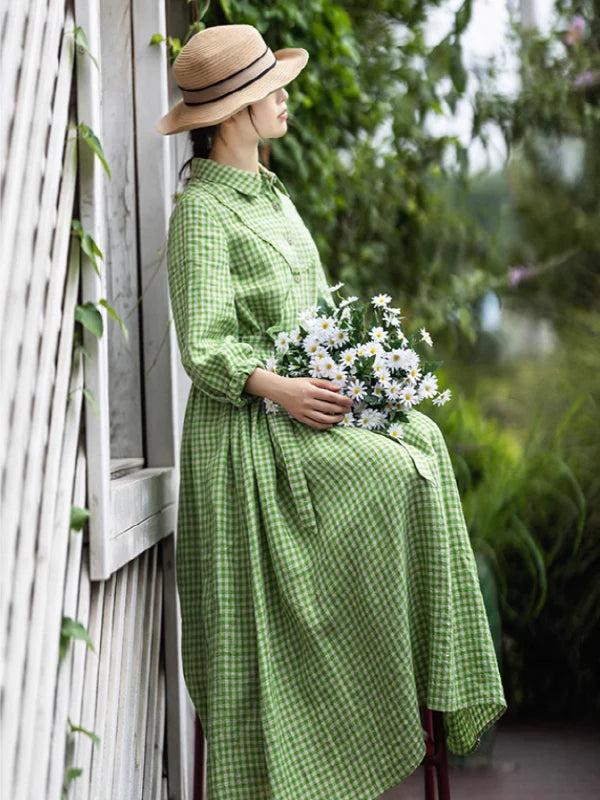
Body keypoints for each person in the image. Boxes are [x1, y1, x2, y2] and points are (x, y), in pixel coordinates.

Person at [157, 23, 506, 800]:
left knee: (424, 443)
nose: (283, 98)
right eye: (267, 91)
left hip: (307, 405)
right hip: (250, 434)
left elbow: (317, 318)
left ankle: (423, 666)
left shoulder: (272, 197)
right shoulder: (203, 215)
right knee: (397, 477)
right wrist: (282, 388)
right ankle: (369, 674)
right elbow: (206, 347)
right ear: (231, 114)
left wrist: (363, 383)